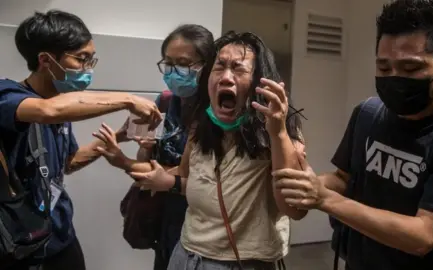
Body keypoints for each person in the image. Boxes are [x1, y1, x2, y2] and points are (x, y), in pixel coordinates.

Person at [273, 1, 433, 270]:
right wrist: (306, 181)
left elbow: (424, 234)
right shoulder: (368, 114)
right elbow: (344, 179)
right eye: (384, 68)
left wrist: (324, 199)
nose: (394, 78)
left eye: (411, 69)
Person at [96, 31, 307, 270]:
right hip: (185, 254)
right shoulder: (198, 126)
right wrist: (148, 167)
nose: (226, 77)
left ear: (260, 82)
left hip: (241, 261)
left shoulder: (280, 132)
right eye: (220, 67)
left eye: (238, 69)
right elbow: (188, 178)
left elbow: (295, 209)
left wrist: (278, 132)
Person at [0, 10, 161, 270]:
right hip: (19, 244)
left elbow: (67, 163)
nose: (88, 69)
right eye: (81, 59)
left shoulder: (62, 105)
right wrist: (128, 99)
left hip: (60, 236)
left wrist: (119, 137)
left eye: (91, 60)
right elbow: (47, 112)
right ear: (45, 60)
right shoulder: (7, 95)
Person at [112, 24, 214, 270]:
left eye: (183, 63)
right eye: (168, 63)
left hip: (202, 222)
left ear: (208, 65)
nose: (173, 71)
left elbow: (208, 180)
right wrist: (145, 149)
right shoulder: (166, 101)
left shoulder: (217, 112)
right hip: (165, 215)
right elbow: (147, 159)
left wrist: (121, 161)